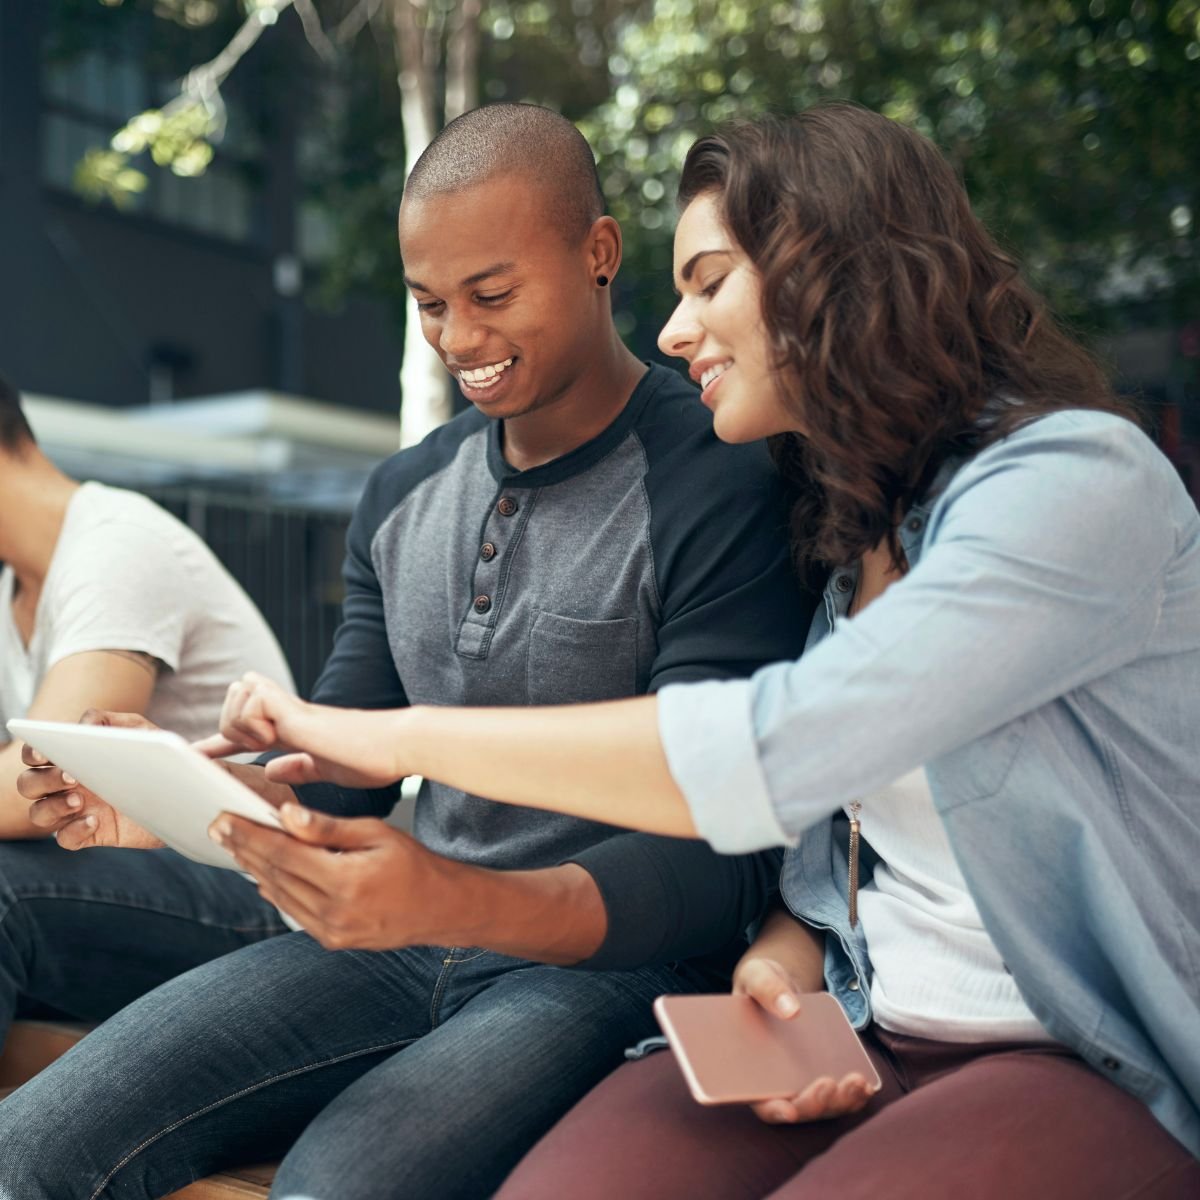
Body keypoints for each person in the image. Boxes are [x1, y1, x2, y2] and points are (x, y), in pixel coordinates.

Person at [183, 103, 1199, 1198]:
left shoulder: (1077, 483)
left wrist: (397, 739)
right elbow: (850, 860)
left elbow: (774, 749)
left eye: (708, 283)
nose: (672, 330)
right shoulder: (857, 531)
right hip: (853, 1031)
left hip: (1073, 1053)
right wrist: (782, 964)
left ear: (835, 273)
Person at [0, 104, 811, 1200]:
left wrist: (456, 897)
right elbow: (340, 775)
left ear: (599, 254)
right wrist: (172, 790)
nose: (460, 339)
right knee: (35, 1150)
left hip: (602, 969)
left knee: (335, 1188)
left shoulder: (719, 477)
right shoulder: (402, 495)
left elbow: (722, 842)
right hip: (394, 935)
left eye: (492, 295)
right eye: (431, 305)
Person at [0, 372, 296, 1044]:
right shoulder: (14, 590)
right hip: (131, 878)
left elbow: (47, 777)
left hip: (251, 886)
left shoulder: (116, 543)